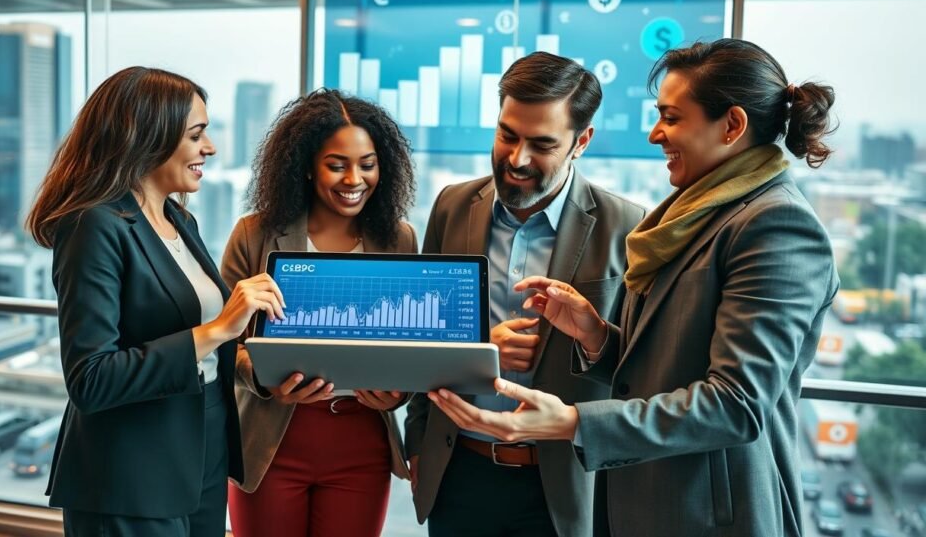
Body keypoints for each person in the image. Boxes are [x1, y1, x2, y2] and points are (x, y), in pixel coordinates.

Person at [428, 38, 840, 537]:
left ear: (731, 126)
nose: (654, 134)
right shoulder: (695, 214)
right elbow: (666, 367)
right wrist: (598, 336)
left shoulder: (775, 225)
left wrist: (572, 421)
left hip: (705, 513)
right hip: (642, 499)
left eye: (671, 117)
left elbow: (736, 405)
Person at [27, 67, 282, 536]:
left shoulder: (180, 220)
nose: (211, 148)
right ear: (147, 137)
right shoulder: (93, 226)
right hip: (130, 470)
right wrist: (218, 329)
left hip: (202, 450)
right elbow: (91, 379)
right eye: (197, 135)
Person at [404, 52, 646, 537]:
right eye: (507, 135)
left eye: (542, 144)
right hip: (457, 472)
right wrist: (417, 444)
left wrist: (595, 336)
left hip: (560, 487)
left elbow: (640, 371)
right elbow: (420, 331)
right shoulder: (452, 206)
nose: (517, 159)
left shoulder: (629, 226)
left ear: (582, 142)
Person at [222, 88, 418, 537]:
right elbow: (219, 340)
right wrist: (263, 378)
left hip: (361, 442)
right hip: (270, 444)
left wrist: (399, 393)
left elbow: (414, 344)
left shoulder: (400, 240)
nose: (355, 178)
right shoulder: (254, 234)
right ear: (307, 166)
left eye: (367, 164)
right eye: (337, 164)